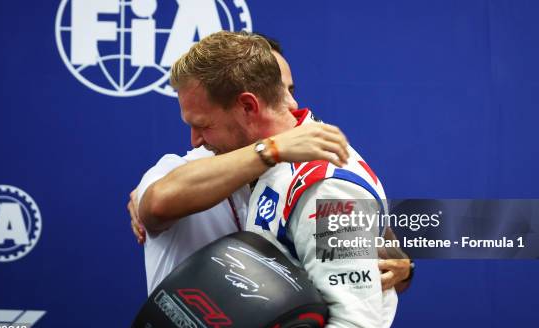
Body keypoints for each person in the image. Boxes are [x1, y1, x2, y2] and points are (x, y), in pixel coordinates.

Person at [128, 36, 412, 296]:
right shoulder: (186, 166)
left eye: (289, 90)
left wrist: (402, 267)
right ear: (250, 104)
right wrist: (272, 150)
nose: (291, 102)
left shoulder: (315, 176)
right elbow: (156, 204)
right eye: (277, 93)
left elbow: (384, 261)